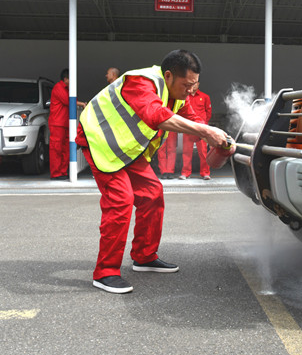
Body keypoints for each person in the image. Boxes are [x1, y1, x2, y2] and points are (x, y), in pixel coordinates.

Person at [76, 49, 228, 294]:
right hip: (100, 142)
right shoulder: (141, 82)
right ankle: (105, 272)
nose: (191, 90)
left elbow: (194, 119)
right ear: (168, 76)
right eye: (187, 84)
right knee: (121, 201)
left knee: (152, 194)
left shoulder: (177, 93)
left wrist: (213, 134)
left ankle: (144, 257)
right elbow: (156, 115)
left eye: (195, 85)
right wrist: (205, 133)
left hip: (127, 150)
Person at [48, 68, 86, 180]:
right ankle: (56, 173)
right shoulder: (59, 87)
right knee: (56, 149)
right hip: (57, 124)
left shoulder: (67, 88)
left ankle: (62, 172)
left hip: (65, 123)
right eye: (71, 79)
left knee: (65, 148)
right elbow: (68, 101)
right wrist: (82, 104)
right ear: (65, 79)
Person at [178, 82, 212, 180]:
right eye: (191, 84)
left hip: (201, 130)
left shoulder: (205, 97)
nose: (193, 86)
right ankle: (185, 173)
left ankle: (205, 173)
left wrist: (203, 125)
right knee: (186, 152)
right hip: (188, 128)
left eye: (195, 84)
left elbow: (208, 113)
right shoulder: (185, 96)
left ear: (198, 84)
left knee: (203, 152)